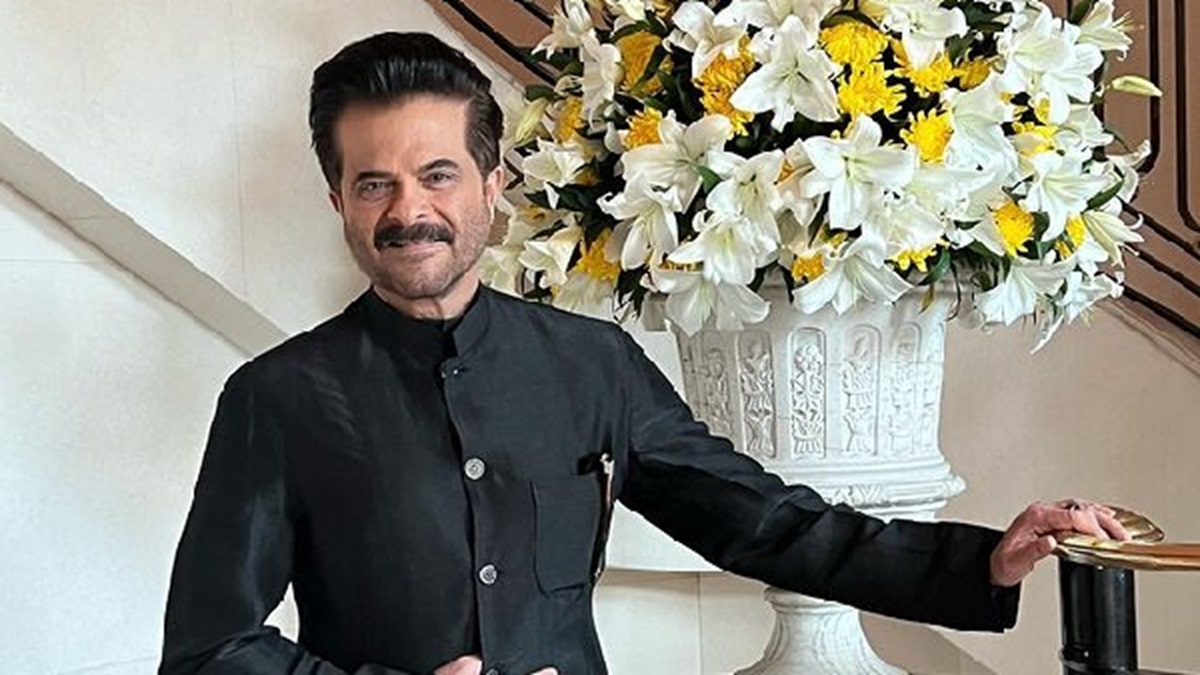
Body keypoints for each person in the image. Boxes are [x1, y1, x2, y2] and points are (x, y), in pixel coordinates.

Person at [159, 31, 1128, 675]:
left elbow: (765, 524)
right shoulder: (275, 397)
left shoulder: (591, 364)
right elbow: (210, 647)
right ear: (338, 199)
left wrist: (983, 560)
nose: (409, 210)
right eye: (374, 184)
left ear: (492, 185)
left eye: (438, 174)